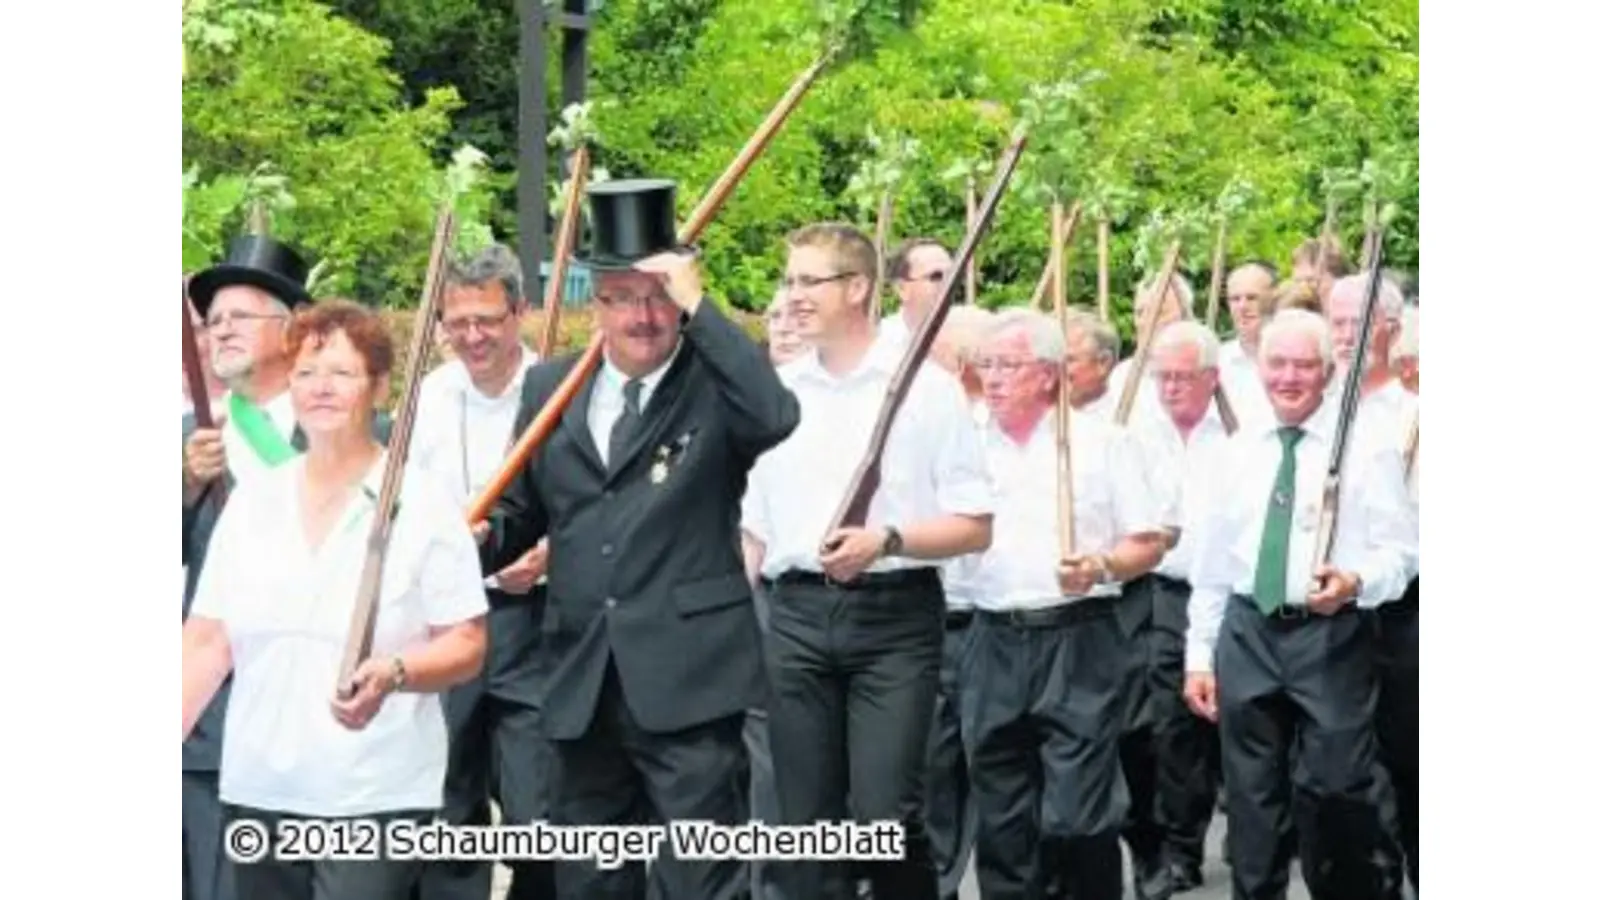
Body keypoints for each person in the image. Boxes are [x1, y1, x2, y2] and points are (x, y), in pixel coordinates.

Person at [476, 178, 801, 900]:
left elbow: (775, 414)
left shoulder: (714, 384)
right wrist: (471, 542)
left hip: (691, 679)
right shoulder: (551, 389)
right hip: (580, 679)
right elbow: (521, 512)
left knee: (700, 879)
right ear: (597, 304)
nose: (642, 316)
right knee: (591, 878)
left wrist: (700, 303)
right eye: (622, 297)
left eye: (657, 296)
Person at [181, 299, 489, 900]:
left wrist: (397, 671)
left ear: (379, 387)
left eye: (342, 373)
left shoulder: (422, 502)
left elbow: (467, 640)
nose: (321, 388)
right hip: (259, 786)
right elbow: (207, 641)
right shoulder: (253, 502)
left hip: (374, 791)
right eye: (306, 373)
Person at [741, 222, 994, 900]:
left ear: (857, 287)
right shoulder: (780, 396)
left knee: (886, 821)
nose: (793, 296)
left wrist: (888, 540)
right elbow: (753, 534)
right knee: (805, 826)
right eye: (789, 281)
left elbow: (975, 526)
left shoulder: (925, 390)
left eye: (809, 281)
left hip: (894, 620)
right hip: (793, 617)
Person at [1182, 308, 1416, 900]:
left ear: (1329, 371)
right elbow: (1210, 566)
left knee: (1337, 787)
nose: (1289, 377)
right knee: (1251, 800)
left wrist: (1356, 580)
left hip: (1330, 637)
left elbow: (1402, 552)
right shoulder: (1233, 452)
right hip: (1247, 633)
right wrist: (1199, 657)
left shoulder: (1365, 448)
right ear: (1258, 366)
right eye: (1277, 364)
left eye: (1304, 365)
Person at [963, 308, 1166, 900]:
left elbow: (1147, 542)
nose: (993, 377)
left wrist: (1102, 566)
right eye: (986, 364)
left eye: (1008, 365)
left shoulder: (1103, 443)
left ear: (1049, 374)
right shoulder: (964, 444)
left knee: (1079, 814)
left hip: (1079, 635)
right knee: (1002, 810)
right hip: (991, 635)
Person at [408, 245, 556, 900]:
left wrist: (552, 550)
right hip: (448, 620)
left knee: (538, 805)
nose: (473, 336)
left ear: (519, 311)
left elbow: (597, 500)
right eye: (458, 322)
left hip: (537, 622)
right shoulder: (430, 397)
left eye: (488, 320)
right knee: (449, 798)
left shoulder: (558, 391)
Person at [183, 233, 318, 900]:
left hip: (314, 721)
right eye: (213, 321)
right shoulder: (191, 439)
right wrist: (181, 488)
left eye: (240, 316)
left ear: (291, 331)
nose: (221, 330)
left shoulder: (348, 436)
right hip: (214, 720)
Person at [1127, 321, 1233, 893]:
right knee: (1172, 725)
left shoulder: (1241, 434)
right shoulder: (1137, 433)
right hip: (1166, 593)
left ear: (1212, 378)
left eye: (1182, 377)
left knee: (1236, 720)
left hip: (1234, 597)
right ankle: (1180, 848)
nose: (1169, 388)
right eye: (1161, 377)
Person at [879, 238, 955, 347]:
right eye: (936, 276)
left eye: (951, 275)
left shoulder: (971, 335)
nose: (948, 283)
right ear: (902, 288)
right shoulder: (877, 344)